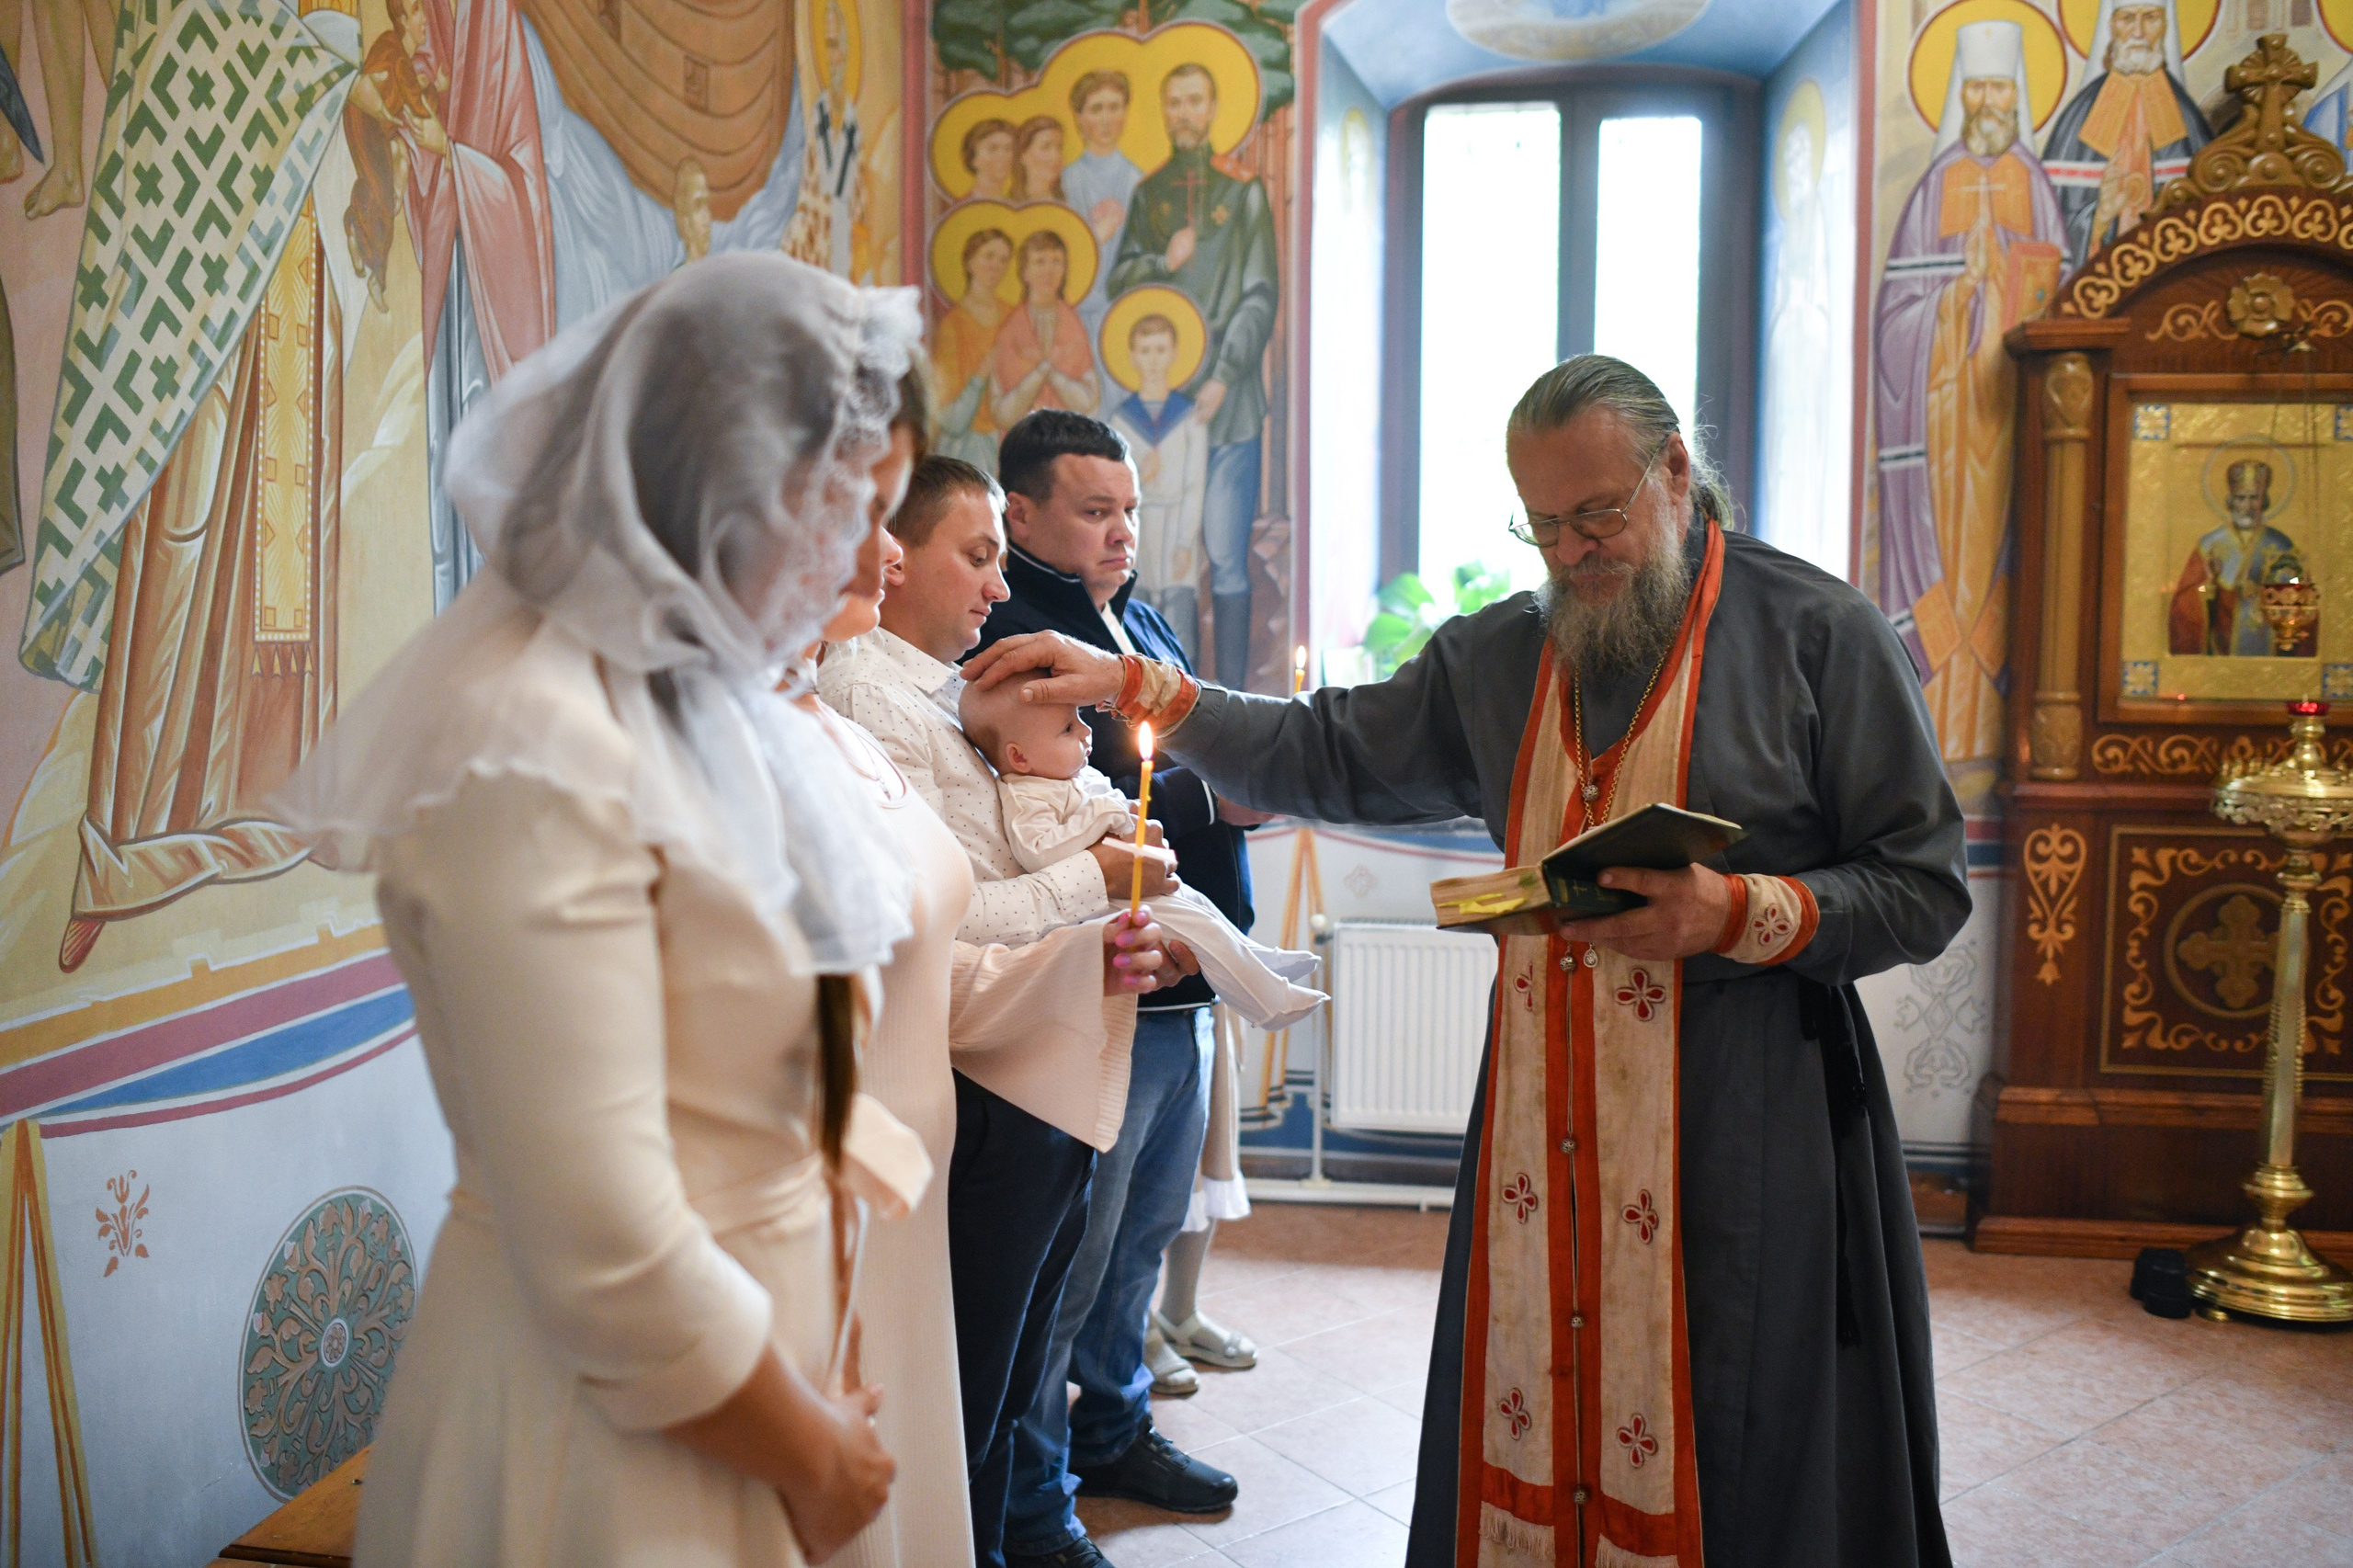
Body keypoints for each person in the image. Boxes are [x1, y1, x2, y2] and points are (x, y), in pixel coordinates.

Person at [968, 355, 1966, 1568]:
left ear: (1676, 473)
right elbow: (1327, 748)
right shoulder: (1505, 651)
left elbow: (1921, 883)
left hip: (1743, 1112)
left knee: (1734, 1415)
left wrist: (1736, 908)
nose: (1576, 551)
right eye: (1544, 525)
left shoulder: (1818, 633)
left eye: (1598, 514)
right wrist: (1143, 687)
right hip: (1541, 1119)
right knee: (1529, 1386)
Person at [283, 256, 937, 1566]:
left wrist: (832, 1354)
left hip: (775, 1383)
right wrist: (813, 1456)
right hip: (604, 1435)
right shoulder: (530, 745)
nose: (881, 556)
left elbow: (798, 1074)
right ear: (717, 484)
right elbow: (599, 1228)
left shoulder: (728, 708)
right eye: (850, 508)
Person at [811, 411, 1188, 1568]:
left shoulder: (944, 694)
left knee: (1019, 1353)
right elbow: (949, 914)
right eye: (973, 552)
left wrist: (1108, 915)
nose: (994, 583)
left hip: (1029, 1045)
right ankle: (995, 1532)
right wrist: (1093, 878)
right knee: (977, 1372)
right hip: (972, 1073)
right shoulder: (865, 695)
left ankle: (995, 1527)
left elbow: (1001, 862)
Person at [978, 412, 1276, 1568]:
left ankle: (1112, 1426)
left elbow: (1177, 751)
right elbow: (1063, 791)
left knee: (1145, 1234)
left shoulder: (1140, 620)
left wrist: (1233, 790)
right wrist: (1226, 800)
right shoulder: (1012, 628)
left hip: (1182, 978)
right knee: (1075, 1257)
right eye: (1094, 509)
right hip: (1097, 983)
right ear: (1022, 513)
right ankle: (1031, 1499)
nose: (1120, 531)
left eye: (1129, 509)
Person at [1872, 17, 2063, 808]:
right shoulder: (1932, 188)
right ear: (1961, 95)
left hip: (2010, 418)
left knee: (1999, 565)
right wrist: (1956, 297)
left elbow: (2061, 309)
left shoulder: (2038, 189)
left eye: (2002, 89)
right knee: (1944, 564)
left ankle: (1984, 750)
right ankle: (1929, 750)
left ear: (2018, 99)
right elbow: (1895, 317)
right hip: (1940, 423)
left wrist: (2002, 293)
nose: (1989, 103)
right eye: (1977, 88)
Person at [958, 676, 1324, 1030]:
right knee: (1198, 930)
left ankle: (1258, 959)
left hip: (1134, 874)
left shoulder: (1066, 775)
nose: (1086, 733)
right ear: (1019, 757)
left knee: (1201, 907)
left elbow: (1110, 803)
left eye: (1080, 718)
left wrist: (1125, 810)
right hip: (1109, 899)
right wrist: (1102, 814)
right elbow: (1039, 852)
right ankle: (1267, 1003)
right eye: (1068, 729)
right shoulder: (1027, 796)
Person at [1108, 62, 1279, 686]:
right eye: (1173, 102)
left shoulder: (1243, 191)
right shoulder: (1150, 194)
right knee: (1153, 560)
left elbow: (1260, 294)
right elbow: (1120, 280)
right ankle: (1159, 698)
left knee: (1224, 559)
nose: (1184, 113)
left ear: (1212, 110)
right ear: (1166, 111)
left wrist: (1225, 375)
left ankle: (1233, 706)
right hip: (1161, 408)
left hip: (1227, 407)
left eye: (1195, 101)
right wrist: (1161, 257)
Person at [2039, 0, 2210, 276]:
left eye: (2151, 17)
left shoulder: (2187, 118)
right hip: (2099, 280)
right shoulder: (2080, 117)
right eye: (2127, 18)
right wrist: (2100, 217)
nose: (2138, 32)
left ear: (2165, 25)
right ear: (2112, 25)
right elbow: (2049, 227)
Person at [1105, 311, 1209, 663]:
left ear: (1174, 354)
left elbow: (1195, 483)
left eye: (1160, 350)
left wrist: (1184, 542)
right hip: (1140, 523)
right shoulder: (1121, 419)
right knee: (1138, 614)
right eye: (1145, 350)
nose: (1153, 360)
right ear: (1132, 356)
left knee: (1178, 615)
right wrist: (1141, 478)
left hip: (1179, 520)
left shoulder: (1190, 416)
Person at [2167, 458, 2314, 657]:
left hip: (2271, 649)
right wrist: (2210, 584)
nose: (2247, 506)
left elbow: (2302, 598)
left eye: (2254, 497)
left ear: (2264, 501)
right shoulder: (2210, 545)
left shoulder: (2282, 545)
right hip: (2221, 650)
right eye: (2241, 498)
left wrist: (2264, 592)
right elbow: (2183, 606)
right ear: (2231, 501)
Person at [1062, 72, 1142, 369]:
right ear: (1079, 117)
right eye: (1096, 109)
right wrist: (1095, 236)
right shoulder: (1068, 180)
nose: (1107, 119)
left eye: (1114, 107)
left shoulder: (1135, 180)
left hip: (1121, 312)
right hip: (1077, 313)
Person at [992, 231, 1099, 426]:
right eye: (1040, 262)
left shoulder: (1073, 325)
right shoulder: (1012, 329)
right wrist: (1039, 374)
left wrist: (1054, 376)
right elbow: (1002, 412)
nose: (1049, 271)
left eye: (1056, 262)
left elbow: (1089, 402)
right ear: (1025, 271)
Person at [936, 229, 1016, 471]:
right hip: (971, 444)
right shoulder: (954, 325)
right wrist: (983, 372)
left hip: (1009, 437)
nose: (996, 266)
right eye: (989, 256)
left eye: (1003, 259)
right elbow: (950, 418)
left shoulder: (1013, 317)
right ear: (970, 262)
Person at [1012, 115, 1068, 201]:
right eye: (1046, 147)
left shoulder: (1070, 203)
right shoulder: (1009, 204)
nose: (1056, 156)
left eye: (1059, 147)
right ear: (1023, 155)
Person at [964, 118, 1018, 202]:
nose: (1002, 156)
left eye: (1008, 149)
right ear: (973, 158)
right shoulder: (962, 206)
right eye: (992, 149)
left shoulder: (1015, 205)